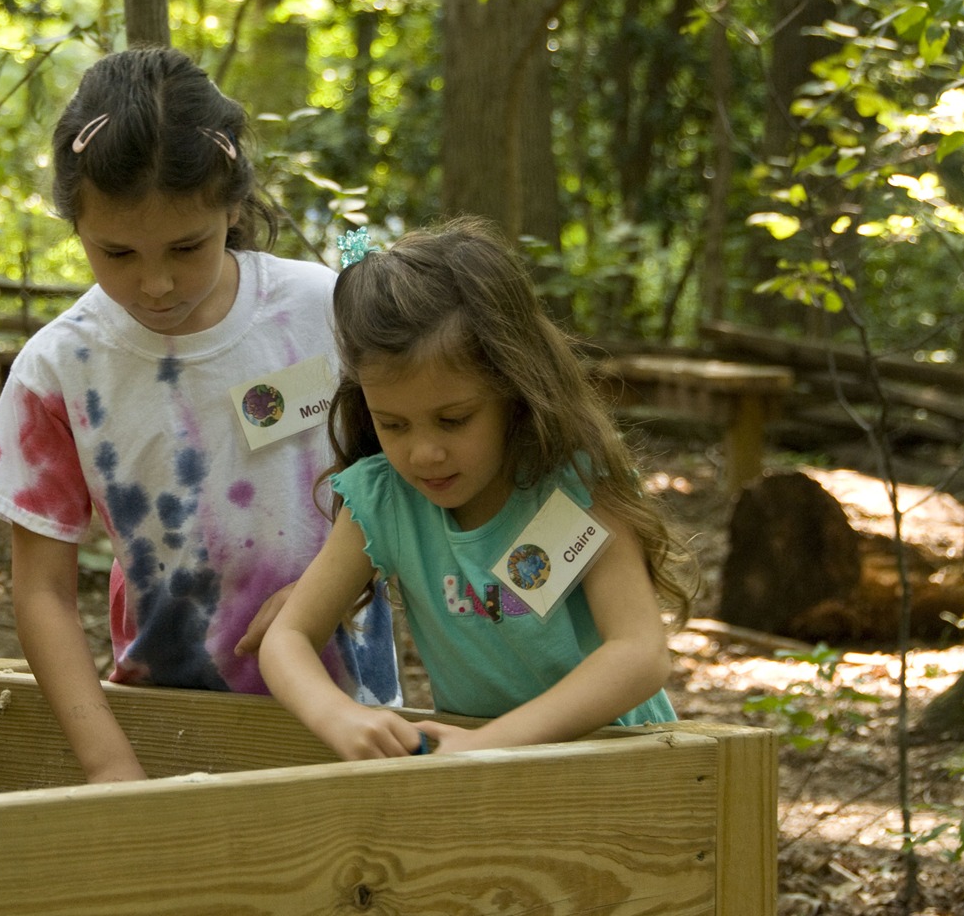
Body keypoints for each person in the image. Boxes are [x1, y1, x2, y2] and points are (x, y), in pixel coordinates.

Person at [0, 46, 400, 784]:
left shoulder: (326, 311)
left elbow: (406, 479)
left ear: (232, 205)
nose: (157, 282)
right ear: (74, 221)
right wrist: (108, 761)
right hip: (163, 725)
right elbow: (41, 589)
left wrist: (336, 586)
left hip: (350, 712)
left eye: (186, 246)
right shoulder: (57, 371)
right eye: (117, 252)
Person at [261, 217, 694, 758]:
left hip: (625, 766)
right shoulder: (384, 500)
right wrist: (338, 715)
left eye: (454, 419)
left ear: (513, 388)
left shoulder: (572, 484)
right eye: (393, 425)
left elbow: (639, 653)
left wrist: (492, 744)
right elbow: (288, 638)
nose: (424, 453)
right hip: (481, 780)